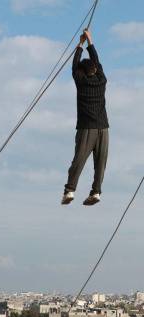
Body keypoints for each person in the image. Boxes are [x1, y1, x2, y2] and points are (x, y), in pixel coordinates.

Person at [62, 29, 109, 206]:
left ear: (82, 72)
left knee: (79, 159)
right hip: (104, 129)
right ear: (95, 70)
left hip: (87, 128)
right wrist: (90, 42)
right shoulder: (102, 80)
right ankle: (96, 192)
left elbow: (74, 66)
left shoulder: (81, 82)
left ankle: (69, 191)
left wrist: (80, 44)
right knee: (101, 162)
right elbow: (97, 62)